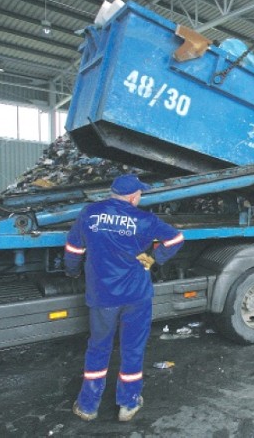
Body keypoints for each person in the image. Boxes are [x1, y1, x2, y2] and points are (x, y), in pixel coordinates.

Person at [64, 174, 184, 422]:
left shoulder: (90, 213)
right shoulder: (144, 219)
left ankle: (88, 406)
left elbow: (74, 248)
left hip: (102, 296)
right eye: (140, 193)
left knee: (98, 347)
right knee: (132, 348)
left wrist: (73, 271)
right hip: (136, 295)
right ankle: (128, 404)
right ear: (133, 196)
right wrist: (151, 260)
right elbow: (175, 238)